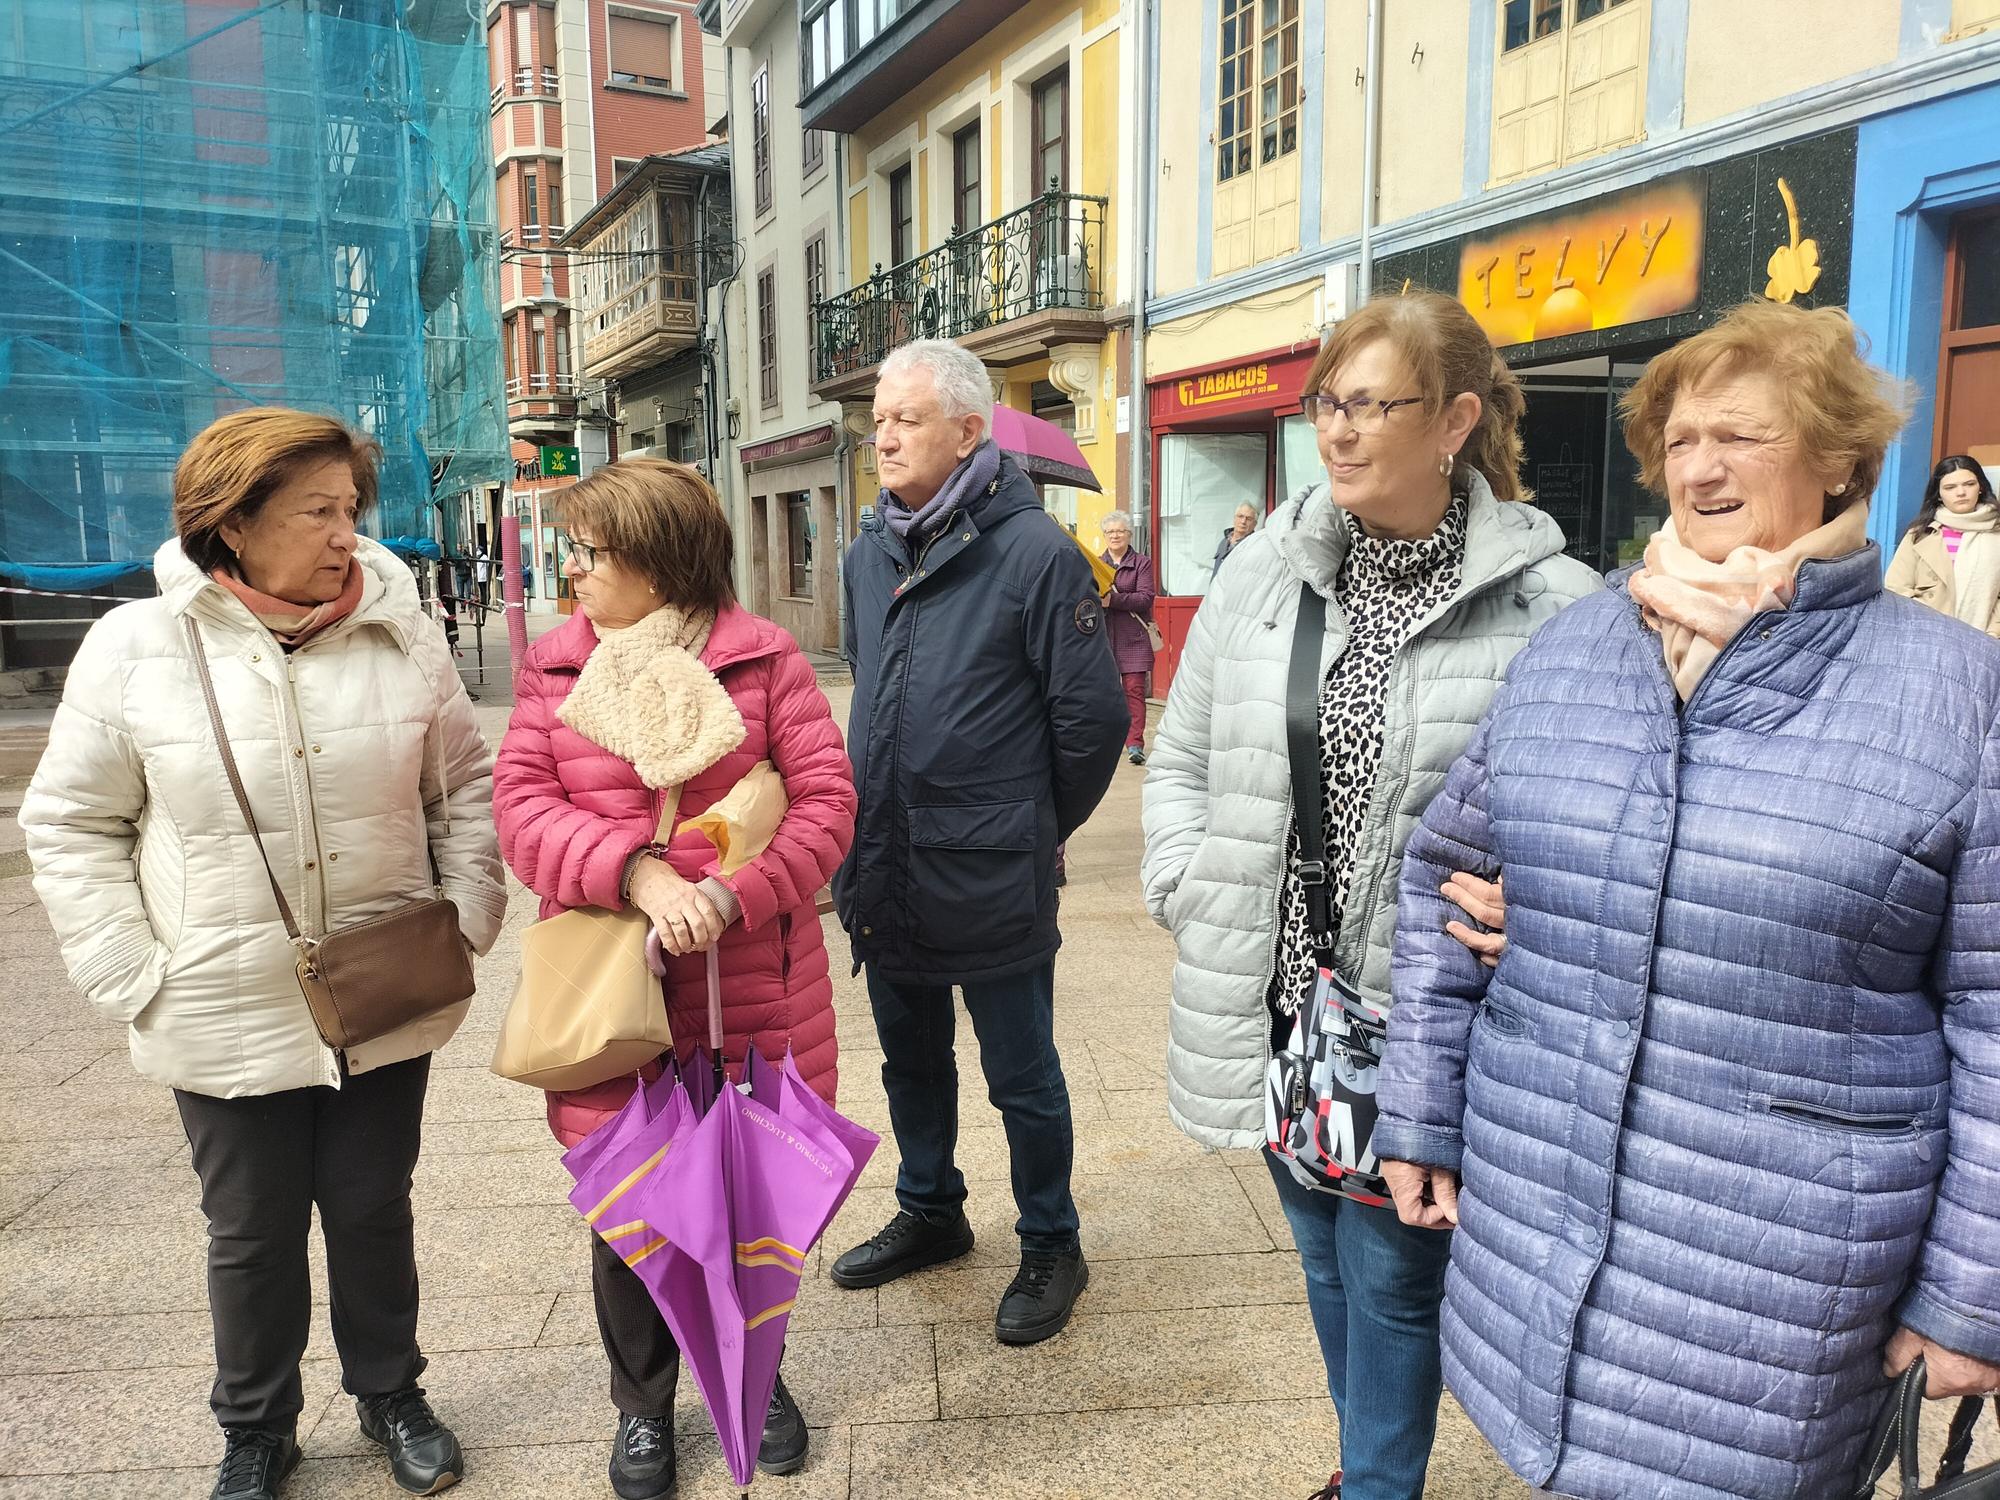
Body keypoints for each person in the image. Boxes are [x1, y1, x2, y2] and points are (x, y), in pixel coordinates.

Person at [1374, 300, 2000, 1500]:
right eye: (1677, 438)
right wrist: (1420, 1108)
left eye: (1741, 437)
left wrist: (1971, 1293)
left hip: (1780, 1279)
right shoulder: (1578, 648)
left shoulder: (1958, 694)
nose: (1699, 466)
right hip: (1538, 1212)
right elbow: (1436, 877)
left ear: (1835, 461)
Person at [1140, 290, 1602, 1500]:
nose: (1336, 433)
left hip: (1431, 1019)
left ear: (1452, 421)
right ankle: (1363, 1469)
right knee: (1318, 1252)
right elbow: (1179, 757)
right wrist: (1187, 885)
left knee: (1395, 1275)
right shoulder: (1261, 572)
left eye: (1368, 405)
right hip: (1285, 994)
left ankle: (1375, 1485)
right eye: (1324, 405)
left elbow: (1607, 829)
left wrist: (1539, 919)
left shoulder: (1557, 610)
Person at [18, 409, 507, 1500]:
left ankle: (390, 1393)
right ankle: (256, 1425)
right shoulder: (137, 648)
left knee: (375, 1205)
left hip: (385, 979)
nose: (348, 535)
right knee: (251, 1230)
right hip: (220, 993)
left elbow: (462, 789)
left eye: (351, 509)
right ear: (232, 525)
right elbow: (69, 822)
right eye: (317, 513)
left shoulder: (401, 630)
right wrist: (133, 968)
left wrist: (466, 907)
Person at [491, 458, 855, 1500]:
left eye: (592, 552)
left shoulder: (764, 660)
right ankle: (643, 1408)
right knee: (631, 1212)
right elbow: (521, 811)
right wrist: (635, 872)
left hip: (754, 991)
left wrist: (739, 896)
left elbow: (827, 806)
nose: (574, 572)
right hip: (617, 999)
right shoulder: (556, 667)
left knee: (757, 1206)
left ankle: (754, 1375)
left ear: (657, 559)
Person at [830, 339, 1127, 1344]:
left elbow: (1091, 726)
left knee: (1021, 1074)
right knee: (909, 1062)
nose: (883, 436)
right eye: (877, 418)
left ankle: (1051, 1238)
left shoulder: (1035, 553)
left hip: (990, 868)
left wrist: (1028, 824)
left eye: (904, 418)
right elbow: (869, 693)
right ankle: (930, 1211)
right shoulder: (865, 553)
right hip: (885, 863)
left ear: (966, 429)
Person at [1885, 453, 2000, 638]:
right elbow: (1897, 587)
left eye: (1969, 484)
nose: (1961, 492)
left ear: (1981, 487)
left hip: (1983, 642)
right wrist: (1920, 627)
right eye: (1950, 487)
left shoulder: (1996, 532)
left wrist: (1993, 633)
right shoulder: (1921, 534)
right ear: (1938, 494)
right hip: (1925, 637)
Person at [1099, 510, 1157, 765]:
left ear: (1129, 534)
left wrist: (1114, 599)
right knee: (1107, 694)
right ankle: (1110, 742)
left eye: (1120, 531)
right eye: (1110, 532)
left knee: (1133, 690)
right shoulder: (1096, 564)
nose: (1115, 536)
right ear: (1105, 535)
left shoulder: (1142, 563)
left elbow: (1146, 597)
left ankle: (1135, 744)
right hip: (1104, 638)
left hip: (1133, 637)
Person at [1213, 502, 1258, 578]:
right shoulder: (1224, 541)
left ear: (1255, 524)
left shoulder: (1254, 546)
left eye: (1249, 519)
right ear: (1234, 518)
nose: (1243, 521)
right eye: (1240, 516)